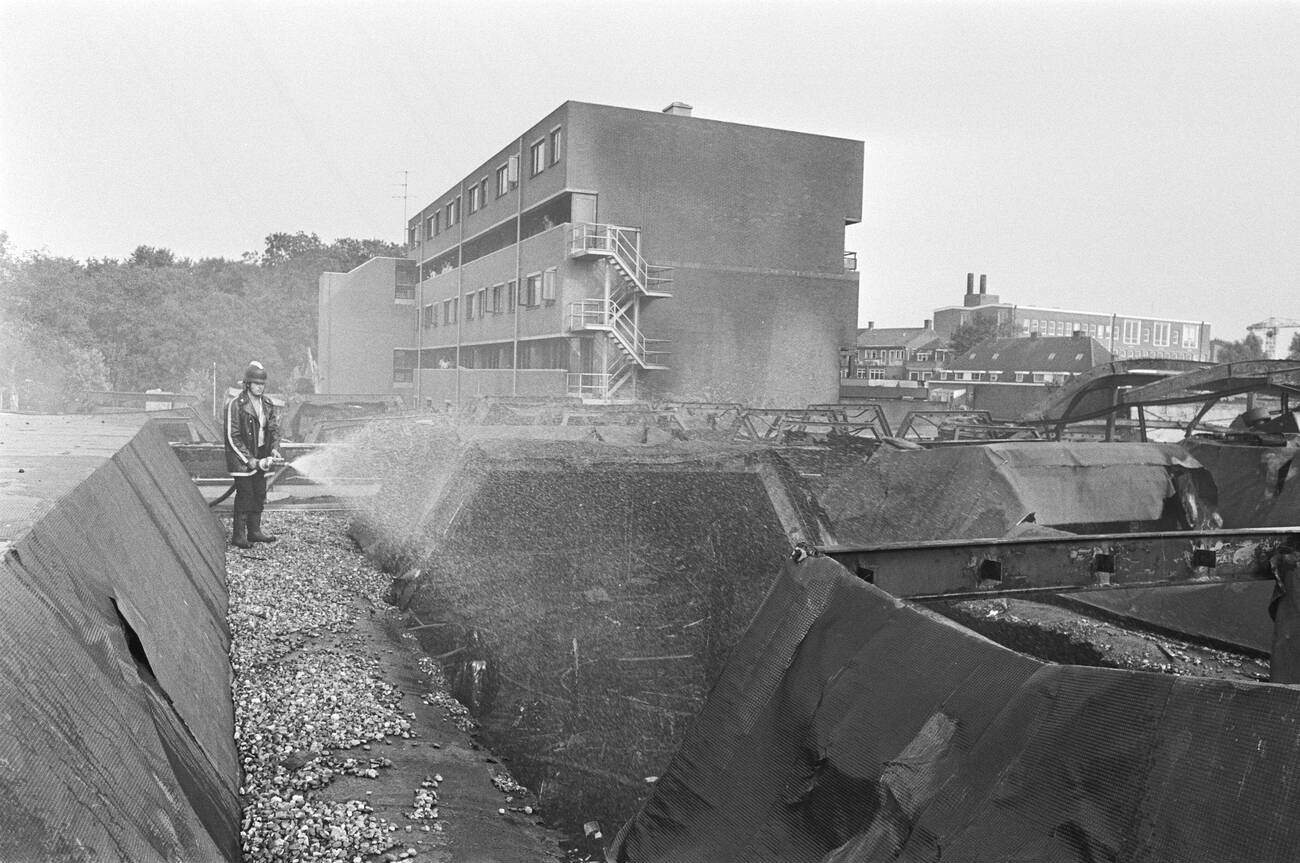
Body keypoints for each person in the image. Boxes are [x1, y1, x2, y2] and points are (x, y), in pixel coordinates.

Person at [224, 360, 282, 549]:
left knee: (259, 494)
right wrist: (250, 460)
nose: (260, 387)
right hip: (242, 461)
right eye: (256, 383)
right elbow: (232, 437)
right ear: (248, 384)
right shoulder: (236, 405)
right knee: (245, 495)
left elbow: (273, 429)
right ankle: (239, 536)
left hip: (262, 457)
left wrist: (274, 448)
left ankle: (254, 531)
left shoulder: (267, 403)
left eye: (262, 384)